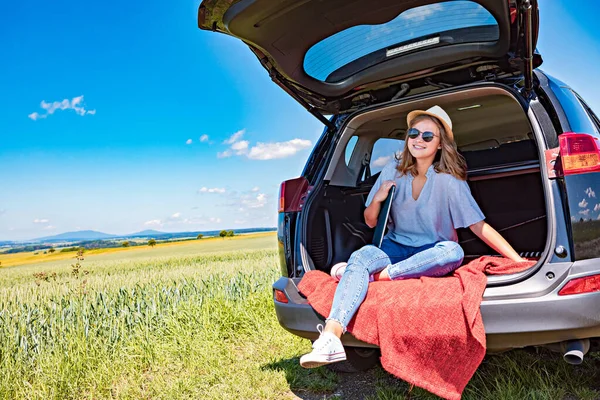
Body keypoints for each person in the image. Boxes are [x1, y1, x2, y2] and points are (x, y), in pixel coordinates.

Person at [299, 105, 526, 368]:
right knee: (361, 255)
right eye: (414, 133)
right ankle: (330, 338)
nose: (419, 139)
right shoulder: (392, 171)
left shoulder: (450, 181)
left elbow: (478, 226)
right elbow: (370, 221)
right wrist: (379, 198)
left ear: (440, 145)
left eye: (428, 136)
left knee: (454, 252)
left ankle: (376, 277)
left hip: (433, 252)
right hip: (394, 247)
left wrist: (517, 261)